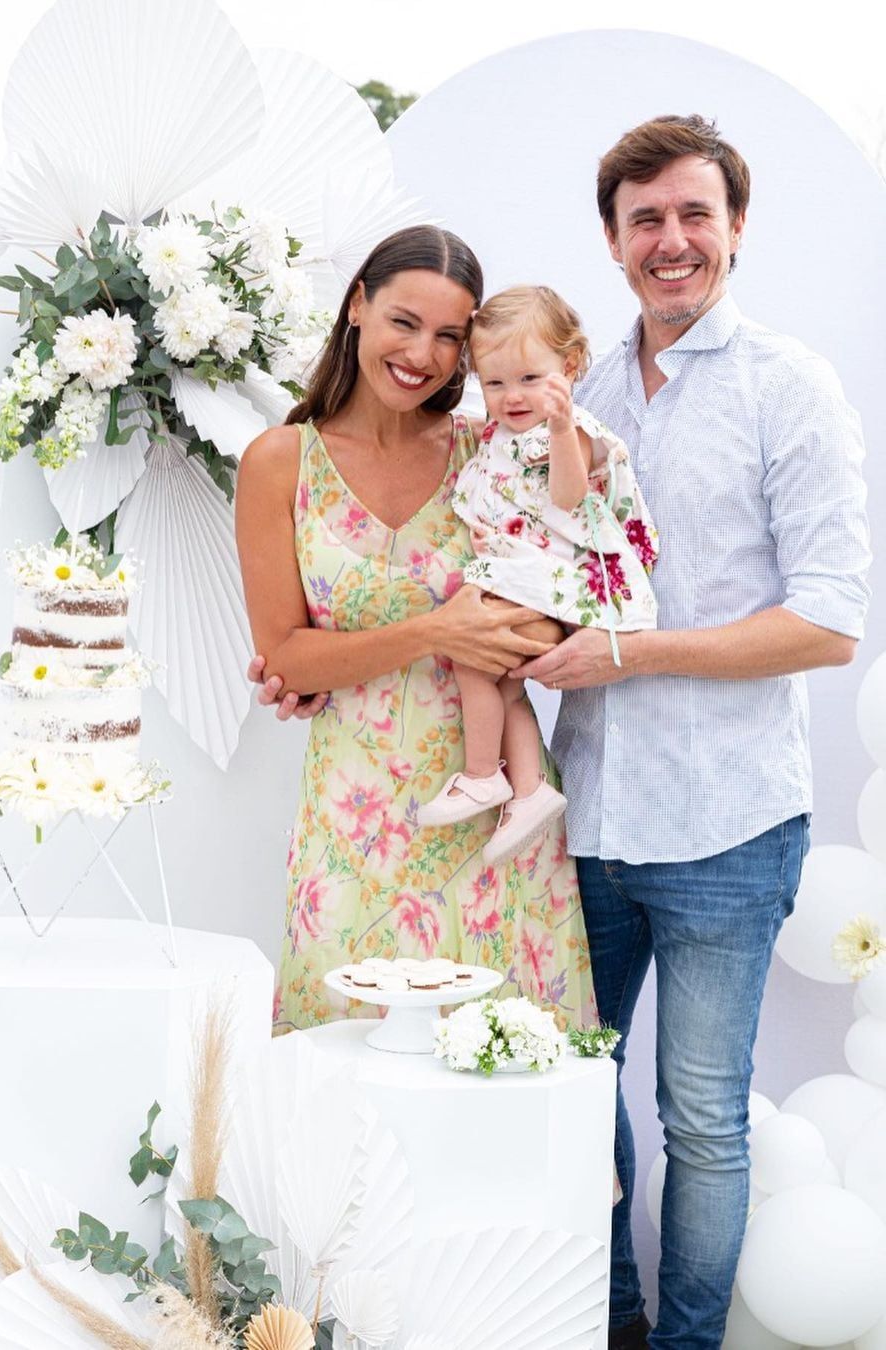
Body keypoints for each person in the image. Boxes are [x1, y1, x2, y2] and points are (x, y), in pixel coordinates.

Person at [519, 116, 871, 1349]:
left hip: (731, 823)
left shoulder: (790, 385)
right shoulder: (580, 390)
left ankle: (687, 1342)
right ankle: (610, 1322)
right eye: (645, 221)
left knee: (706, 1120)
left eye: (693, 216)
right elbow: (527, 559)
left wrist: (632, 650)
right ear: (613, 244)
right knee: (571, 1092)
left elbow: (832, 624)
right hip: (589, 812)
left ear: (734, 230)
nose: (672, 242)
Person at [235, 225, 599, 1034]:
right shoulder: (280, 461)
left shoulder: (493, 451)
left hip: (499, 818)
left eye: (450, 337)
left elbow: (568, 573)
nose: (424, 355)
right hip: (352, 819)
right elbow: (288, 655)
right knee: (346, 1071)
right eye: (405, 321)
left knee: (507, 1066)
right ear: (358, 304)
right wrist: (438, 633)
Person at [417, 284, 659, 865]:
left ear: (569, 366)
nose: (511, 396)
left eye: (529, 379)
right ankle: (528, 790)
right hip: (529, 579)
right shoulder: (500, 437)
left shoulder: (570, 431)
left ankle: (481, 775)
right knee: (503, 683)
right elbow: (505, 498)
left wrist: (557, 428)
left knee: (472, 655)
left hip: (559, 588)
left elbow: (569, 497)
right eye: (495, 382)